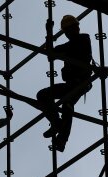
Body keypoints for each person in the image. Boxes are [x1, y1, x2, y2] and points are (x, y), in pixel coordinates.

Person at [36, 15, 92, 152]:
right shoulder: (69, 45)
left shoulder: (84, 39)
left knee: (67, 105)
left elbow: (55, 53)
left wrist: (52, 37)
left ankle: (62, 139)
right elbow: (50, 55)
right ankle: (56, 123)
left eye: (69, 30)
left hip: (81, 83)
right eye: (66, 31)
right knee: (42, 95)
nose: (68, 34)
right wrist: (49, 33)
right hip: (71, 84)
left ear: (75, 28)